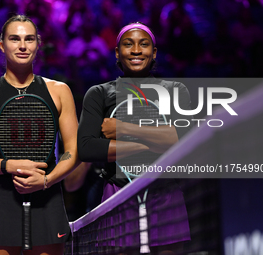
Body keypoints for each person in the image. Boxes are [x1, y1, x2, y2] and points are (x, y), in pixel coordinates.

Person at [0, 15, 79, 255]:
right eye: (14, 39)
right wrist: (9, 165)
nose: (22, 46)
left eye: (29, 39)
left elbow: (74, 151)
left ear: (38, 44)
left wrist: (46, 180)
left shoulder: (60, 91)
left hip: (47, 195)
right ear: (2, 45)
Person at [76, 22, 192, 254]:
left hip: (166, 195)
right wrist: (153, 141)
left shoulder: (175, 90)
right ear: (118, 52)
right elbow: (87, 148)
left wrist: (121, 129)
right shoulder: (99, 94)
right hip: (117, 195)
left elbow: (183, 141)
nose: (136, 50)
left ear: (154, 52)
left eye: (144, 44)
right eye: (128, 45)